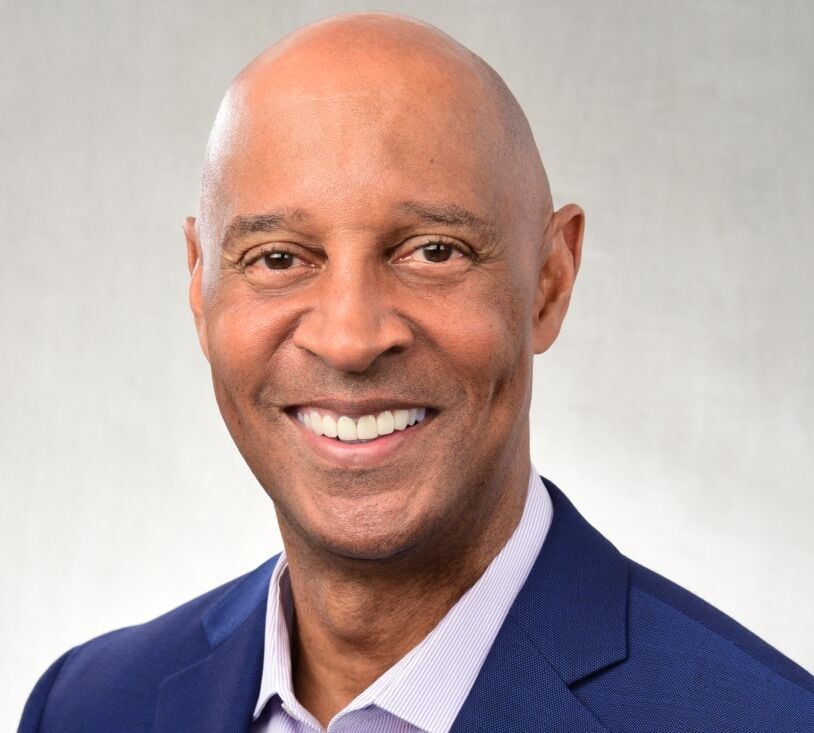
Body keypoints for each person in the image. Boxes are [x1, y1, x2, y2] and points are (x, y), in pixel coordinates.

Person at [19, 12, 813, 733]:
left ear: (550, 280)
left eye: (434, 251)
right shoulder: (86, 706)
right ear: (201, 287)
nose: (351, 337)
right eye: (279, 258)